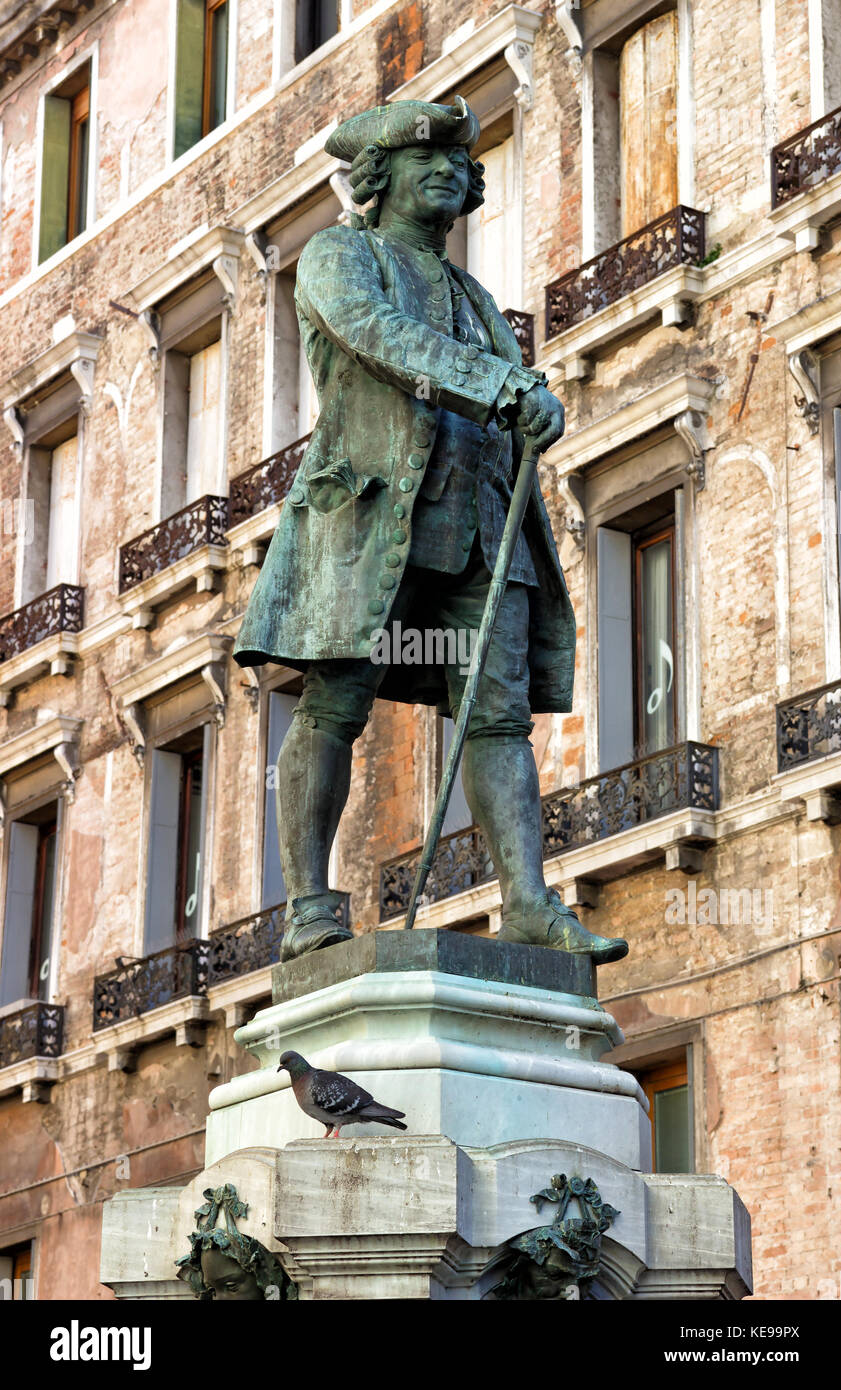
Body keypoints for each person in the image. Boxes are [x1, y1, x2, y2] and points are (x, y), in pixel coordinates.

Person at [235, 96, 627, 968]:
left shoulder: (475, 296)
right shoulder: (340, 256)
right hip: (372, 520)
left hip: (483, 526)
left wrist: (525, 411)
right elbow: (379, 336)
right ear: (379, 178)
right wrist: (503, 387)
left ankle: (526, 902)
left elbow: (494, 388)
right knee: (335, 701)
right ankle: (308, 907)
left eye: (459, 162)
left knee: (497, 717)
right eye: (426, 161)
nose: (449, 171)